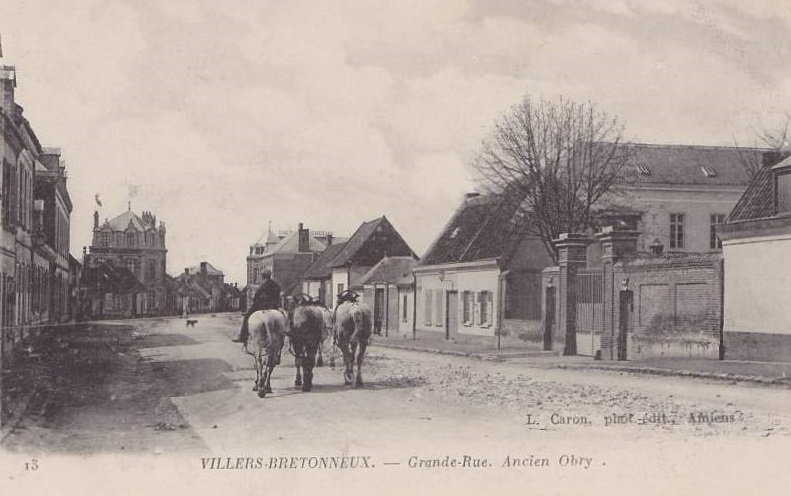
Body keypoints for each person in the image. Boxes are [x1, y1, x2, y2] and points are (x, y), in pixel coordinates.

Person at [232, 269, 282, 345]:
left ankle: (243, 336)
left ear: (262, 277)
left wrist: (255, 301)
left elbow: (256, 298)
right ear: (270, 275)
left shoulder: (263, 286)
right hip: (274, 307)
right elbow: (278, 296)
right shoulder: (276, 285)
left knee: (247, 316)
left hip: (262, 307)